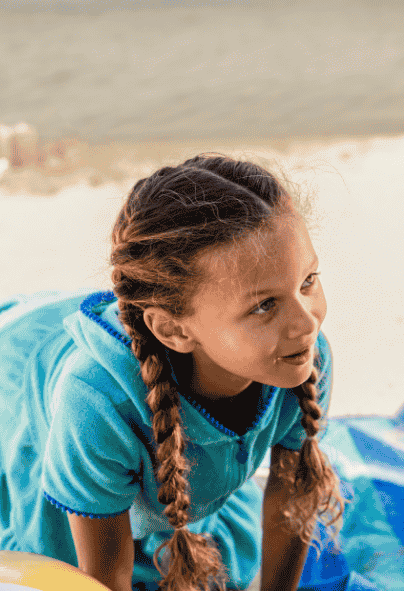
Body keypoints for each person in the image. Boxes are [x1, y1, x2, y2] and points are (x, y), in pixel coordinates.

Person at [0, 155, 345, 591]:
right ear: (173, 330)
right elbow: (105, 576)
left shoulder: (302, 357)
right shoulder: (96, 404)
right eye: (264, 305)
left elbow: (287, 503)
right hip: (21, 363)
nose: (306, 323)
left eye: (307, 281)